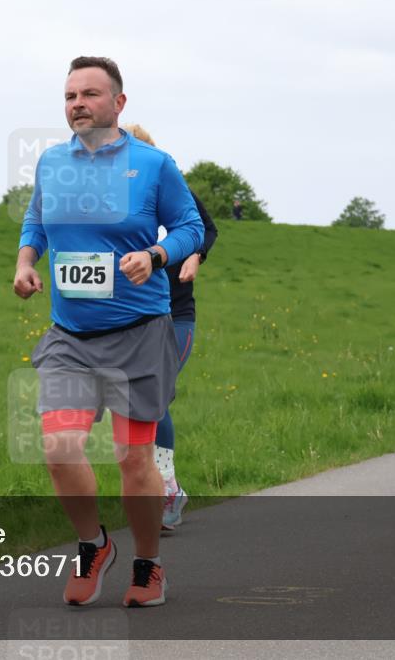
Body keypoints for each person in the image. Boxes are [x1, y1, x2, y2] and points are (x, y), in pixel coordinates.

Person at [14, 57, 204, 608]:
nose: (78, 103)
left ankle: (148, 564)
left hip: (138, 332)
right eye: (70, 94)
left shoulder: (152, 164)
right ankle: (92, 544)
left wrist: (156, 254)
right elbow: (36, 220)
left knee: (132, 460)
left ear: (118, 103)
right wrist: (27, 262)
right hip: (71, 335)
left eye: (90, 94)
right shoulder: (52, 163)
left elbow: (191, 226)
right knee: (57, 447)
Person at [123, 124, 219, 531]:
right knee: (133, 401)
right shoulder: (114, 199)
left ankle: (167, 488)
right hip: (130, 316)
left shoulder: (171, 183)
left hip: (175, 315)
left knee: (154, 396)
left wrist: (196, 256)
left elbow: (206, 229)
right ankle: (147, 485)